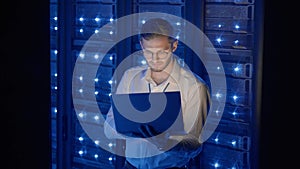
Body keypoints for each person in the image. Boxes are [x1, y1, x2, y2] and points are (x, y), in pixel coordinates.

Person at [104, 18, 211, 169]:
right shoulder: (130, 77)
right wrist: (131, 129)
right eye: (148, 52)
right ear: (141, 45)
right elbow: (108, 128)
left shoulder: (195, 87)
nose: (154, 60)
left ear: (174, 46)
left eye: (162, 52)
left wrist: (166, 143)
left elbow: (194, 144)